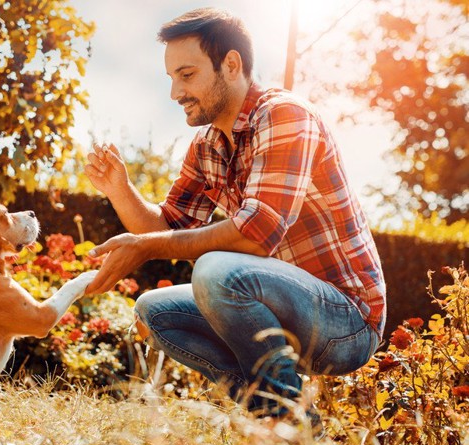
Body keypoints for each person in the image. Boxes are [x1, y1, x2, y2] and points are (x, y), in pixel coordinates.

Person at [83, 7, 386, 418]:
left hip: (345, 321)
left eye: (187, 75)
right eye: (171, 78)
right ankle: (277, 415)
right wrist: (120, 190)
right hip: (274, 306)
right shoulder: (207, 146)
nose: (175, 93)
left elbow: (255, 234)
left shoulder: (284, 115)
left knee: (217, 272)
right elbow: (166, 228)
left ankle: (285, 426)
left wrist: (146, 246)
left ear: (231, 64)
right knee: (155, 311)